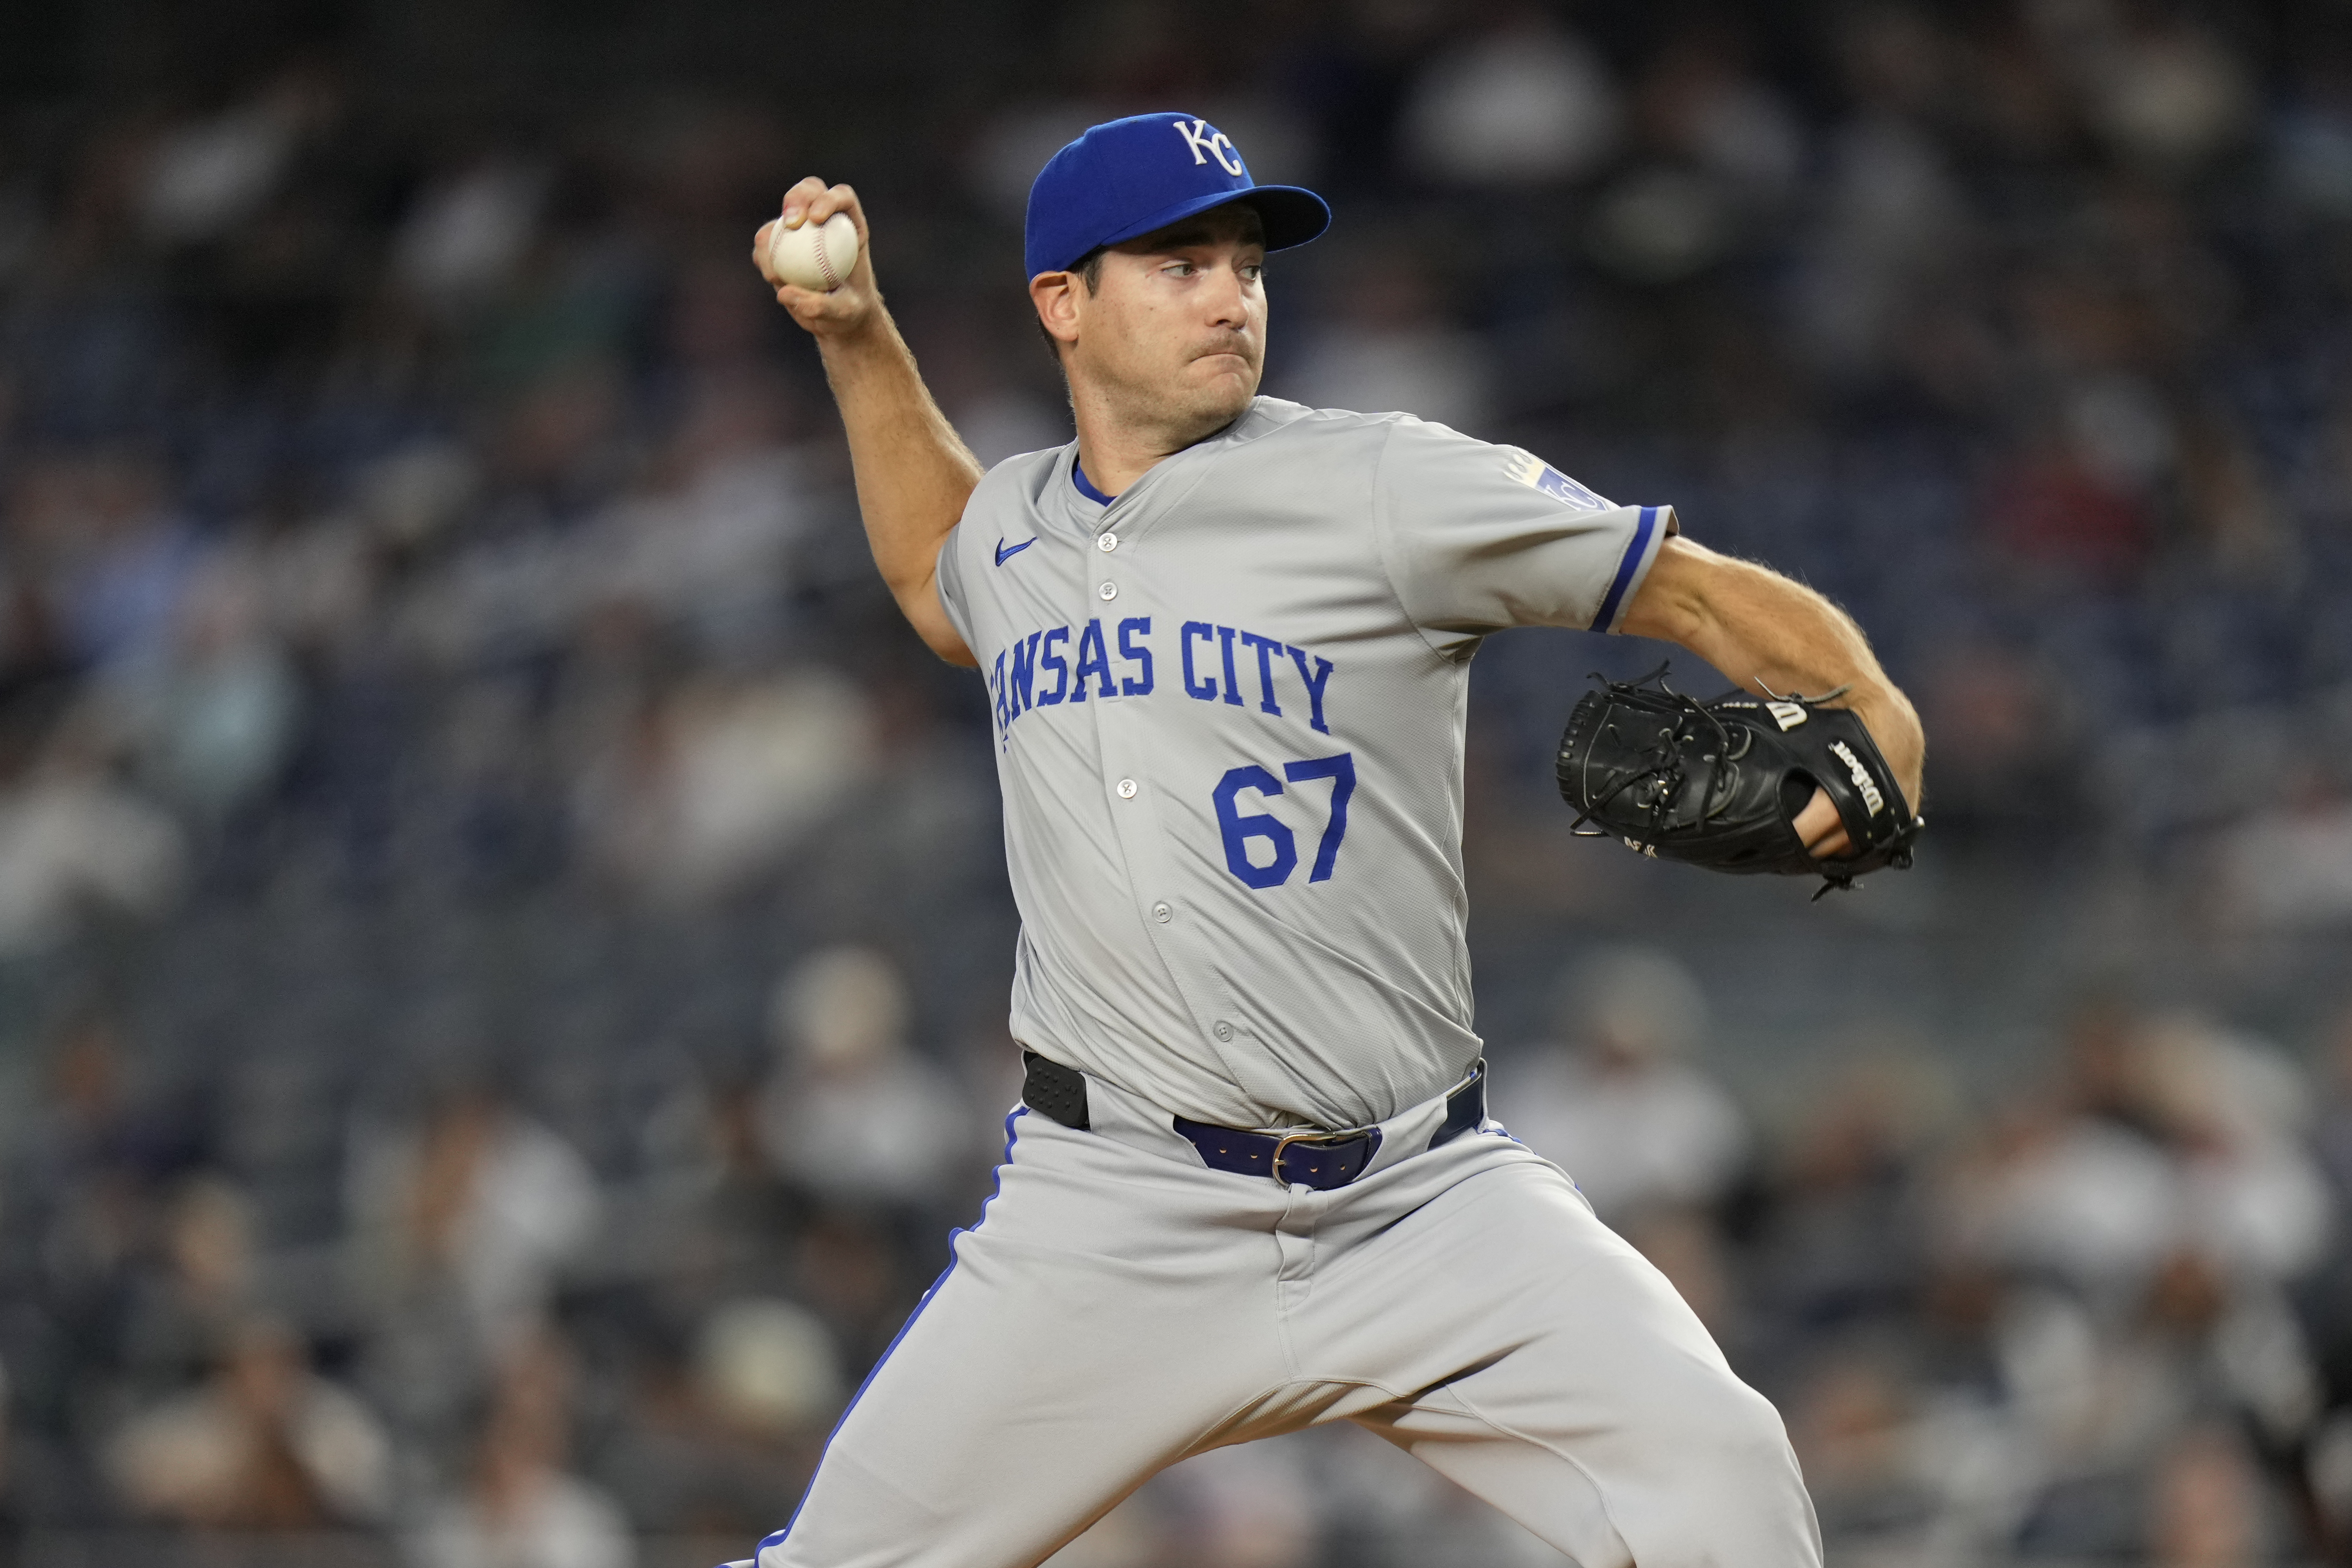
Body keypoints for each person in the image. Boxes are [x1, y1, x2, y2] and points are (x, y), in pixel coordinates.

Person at [734, 112, 1925, 1568]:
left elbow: (1680, 586)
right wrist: (856, 336)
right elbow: (935, 568)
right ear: (1064, 301)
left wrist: (1864, 700)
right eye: (1180, 264)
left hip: (1421, 1198)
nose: (1233, 296)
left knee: (1724, 1477)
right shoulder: (1020, 530)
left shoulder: (1382, 482)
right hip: (1116, 1212)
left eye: (1246, 263)